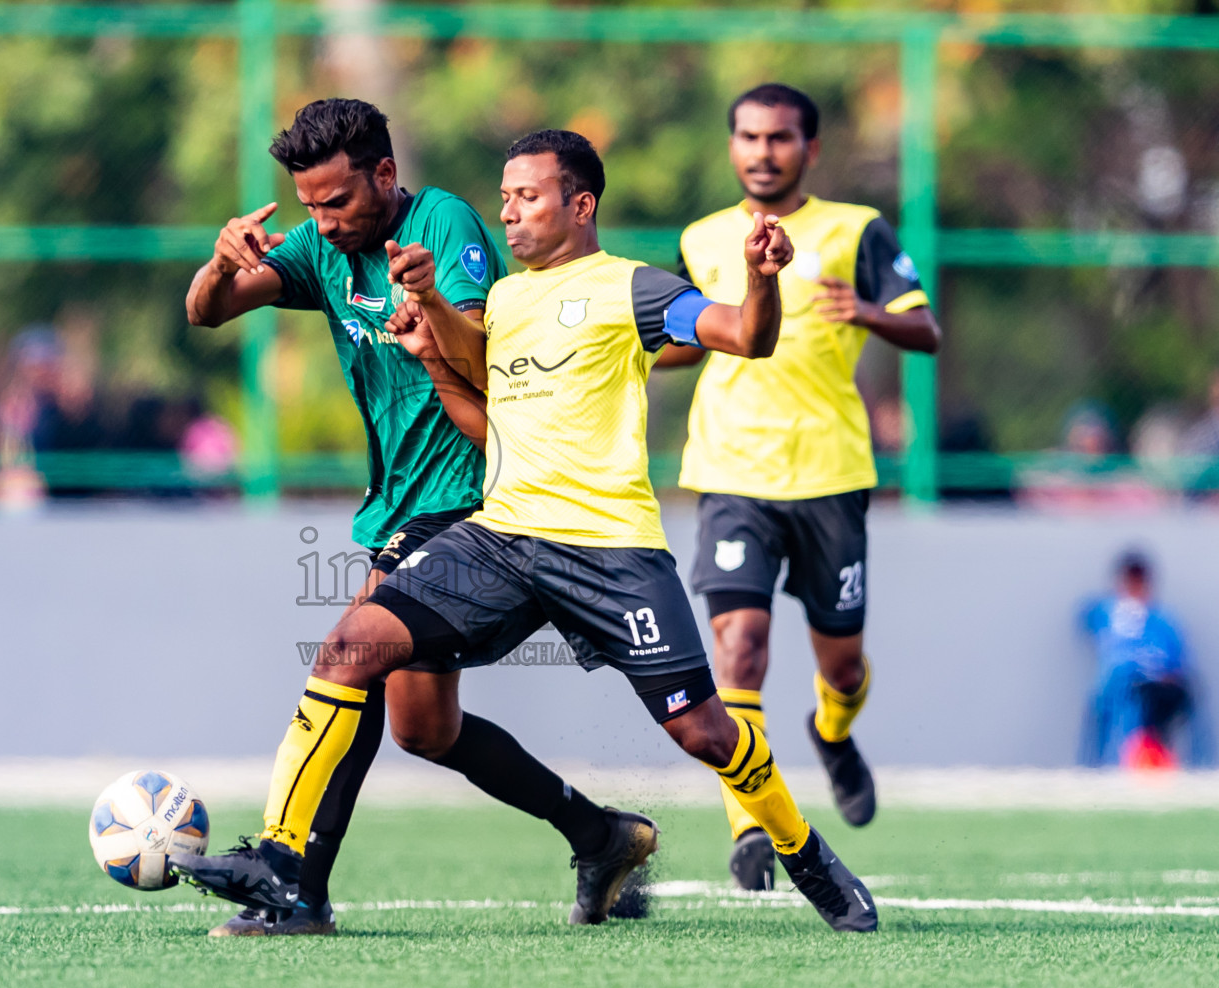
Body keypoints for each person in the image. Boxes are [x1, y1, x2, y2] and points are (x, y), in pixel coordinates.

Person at [178, 129, 878, 933]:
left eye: (528, 198)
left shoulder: (632, 289)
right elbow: (483, 411)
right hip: (502, 538)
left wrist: (761, 282)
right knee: (351, 649)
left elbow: (746, 338)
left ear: (580, 205)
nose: (509, 214)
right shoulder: (506, 300)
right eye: (506, 198)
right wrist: (433, 332)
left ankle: (807, 856)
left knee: (705, 730)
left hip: (610, 550)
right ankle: (282, 858)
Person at [182, 99, 640, 936]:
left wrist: (427, 307)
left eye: (337, 202)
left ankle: (296, 883)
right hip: (402, 505)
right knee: (424, 729)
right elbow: (206, 312)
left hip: (471, 498)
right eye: (309, 205)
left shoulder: (442, 224)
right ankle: (600, 834)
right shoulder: (325, 246)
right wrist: (219, 262)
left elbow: (481, 348)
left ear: (385, 176)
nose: (321, 221)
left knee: (348, 650)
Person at [656, 83, 941, 892]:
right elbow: (688, 337)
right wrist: (636, 347)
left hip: (832, 475)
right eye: (747, 136)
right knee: (738, 651)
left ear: (808, 149)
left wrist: (868, 313)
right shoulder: (705, 238)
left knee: (842, 664)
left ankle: (833, 731)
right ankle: (752, 821)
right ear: (732, 146)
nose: (762, 151)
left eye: (779, 138)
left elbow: (927, 329)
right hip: (731, 473)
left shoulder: (858, 230)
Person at [1078, 551, 1210, 769]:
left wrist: (1168, 674)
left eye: (1139, 581)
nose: (1135, 586)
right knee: (1120, 693)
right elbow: (1087, 619)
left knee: (1165, 699)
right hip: (1118, 682)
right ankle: (1105, 765)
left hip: (1155, 684)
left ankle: (1167, 763)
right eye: (1131, 580)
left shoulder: (1163, 618)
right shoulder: (1107, 611)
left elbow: (1179, 659)